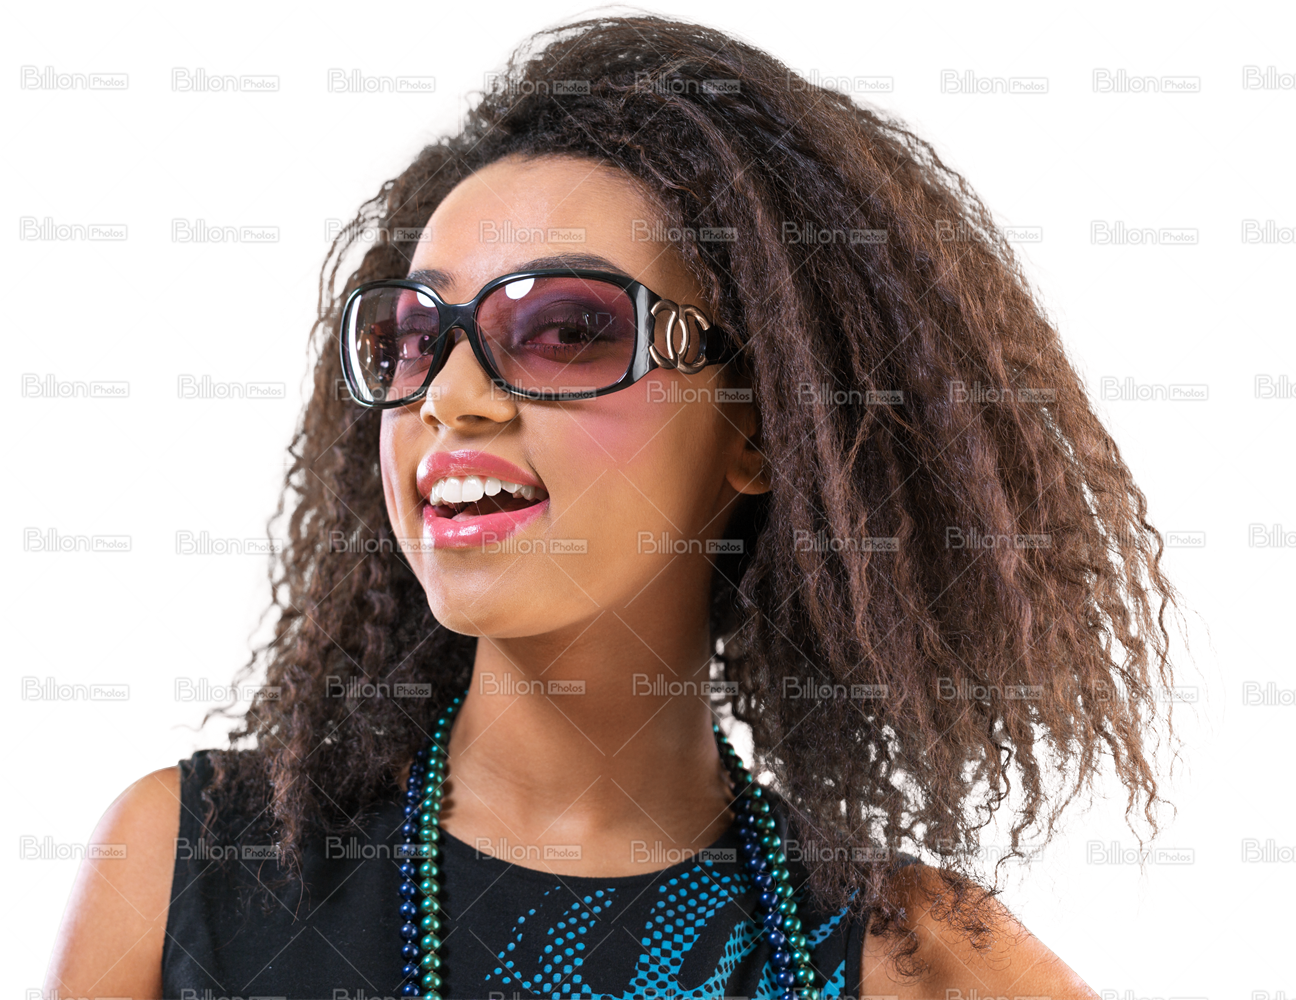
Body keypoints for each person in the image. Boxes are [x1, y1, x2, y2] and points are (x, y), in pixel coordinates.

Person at [42, 4, 1223, 999]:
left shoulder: (921, 960)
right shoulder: (185, 868)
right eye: (414, 336)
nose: (450, 397)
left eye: (566, 330)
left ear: (759, 426)